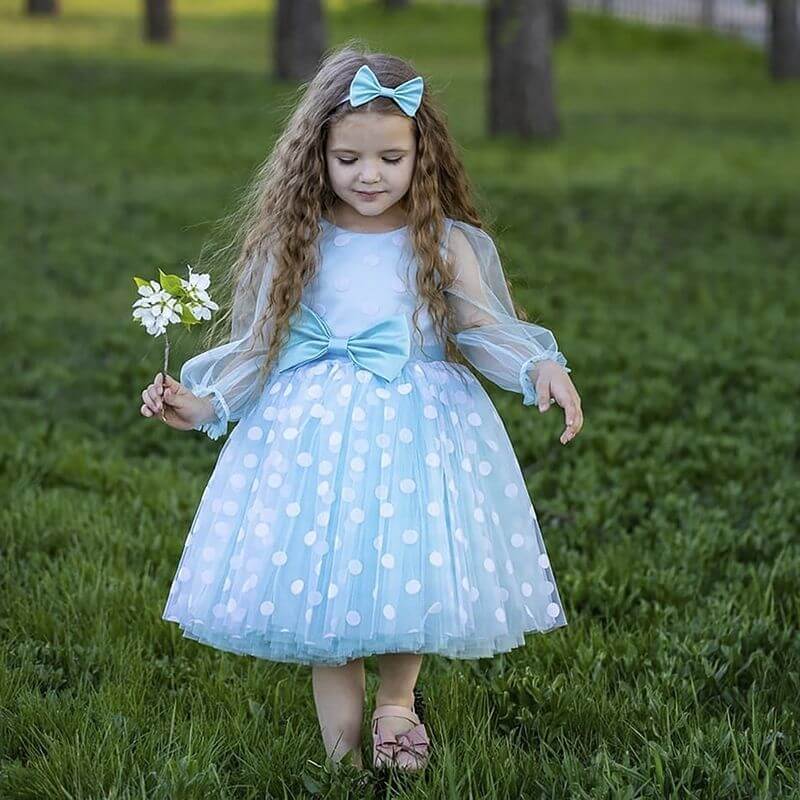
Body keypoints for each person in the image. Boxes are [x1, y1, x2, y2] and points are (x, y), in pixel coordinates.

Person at [139, 44, 584, 774]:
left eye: (388, 158)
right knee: (326, 582)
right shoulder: (297, 242)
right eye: (348, 160)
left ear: (421, 154)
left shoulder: (438, 243)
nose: (369, 176)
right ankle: (341, 755)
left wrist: (539, 365)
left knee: (405, 563)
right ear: (318, 158)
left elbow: (481, 328)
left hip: (416, 430)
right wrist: (203, 402)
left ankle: (396, 703)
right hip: (312, 439)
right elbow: (258, 348)